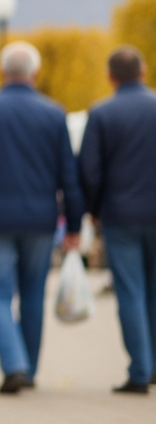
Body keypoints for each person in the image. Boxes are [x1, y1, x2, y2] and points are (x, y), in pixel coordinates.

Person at [0, 41, 84, 395]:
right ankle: (30, 366)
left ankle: (14, 364)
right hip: (40, 219)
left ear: (1, 72)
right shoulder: (54, 113)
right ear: (35, 73)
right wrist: (73, 224)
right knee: (33, 293)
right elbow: (68, 176)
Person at [78, 46, 156, 395]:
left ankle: (140, 370)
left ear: (110, 77)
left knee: (130, 292)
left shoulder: (102, 113)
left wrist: (93, 209)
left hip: (121, 215)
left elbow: (90, 171)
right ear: (143, 72)